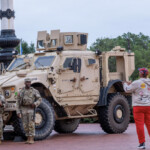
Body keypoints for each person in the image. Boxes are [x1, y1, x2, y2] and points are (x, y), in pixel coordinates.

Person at [123, 68, 150, 149]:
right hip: (148, 106)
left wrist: (125, 84)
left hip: (138, 106)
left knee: (140, 125)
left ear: (141, 74)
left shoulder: (136, 82)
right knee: (149, 124)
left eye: (139, 72)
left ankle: (142, 144)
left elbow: (127, 89)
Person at [17, 78, 42, 144]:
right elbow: (18, 102)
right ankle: (28, 137)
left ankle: (31, 138)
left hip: (30, 108)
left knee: (31, 124)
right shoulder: (21, 91)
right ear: (24, 83)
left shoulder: (34, 91)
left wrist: (35, 104)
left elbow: (39, 99)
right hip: (23, 109)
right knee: (25, 124)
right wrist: (18, 111)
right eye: (27, 82)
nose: (28, 83)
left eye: (29, 82)